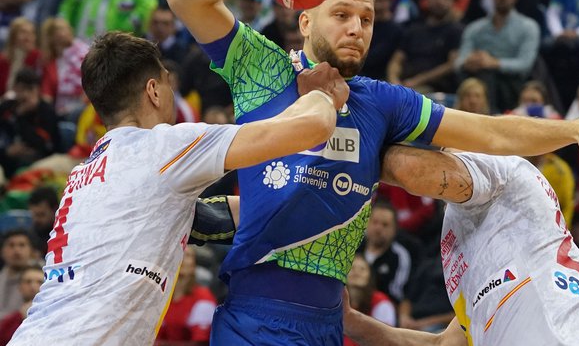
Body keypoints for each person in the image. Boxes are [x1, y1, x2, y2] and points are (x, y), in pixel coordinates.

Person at [165, 0, 579, 345]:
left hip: (328, 322)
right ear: (305, 20)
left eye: (367, 20)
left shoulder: (381, 102)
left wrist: (575, 129)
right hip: (254, 314)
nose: (356, 28)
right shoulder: (261, 68)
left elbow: (489, 131)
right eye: (342, 15)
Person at [7, 31, 349, 345]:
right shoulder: (163, 147)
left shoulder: (85, 176)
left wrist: (309, 206)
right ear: (154, 91)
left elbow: (196, 218)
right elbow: (311, 127)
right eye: (169, 85)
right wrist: (320, 92)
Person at [344, 146, 579, 345]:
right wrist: (350, 320)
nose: (441, 153)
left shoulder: (504, 172)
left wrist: (351, 149)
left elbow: (414, 172)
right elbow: (441, 345)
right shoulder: (465, 239)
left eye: (448, 144)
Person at [0, 262, 43, 346]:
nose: (33, 286)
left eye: (39, 282)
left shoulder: (56, 316)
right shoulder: (8, 323)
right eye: (28, 281)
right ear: (19, 287)